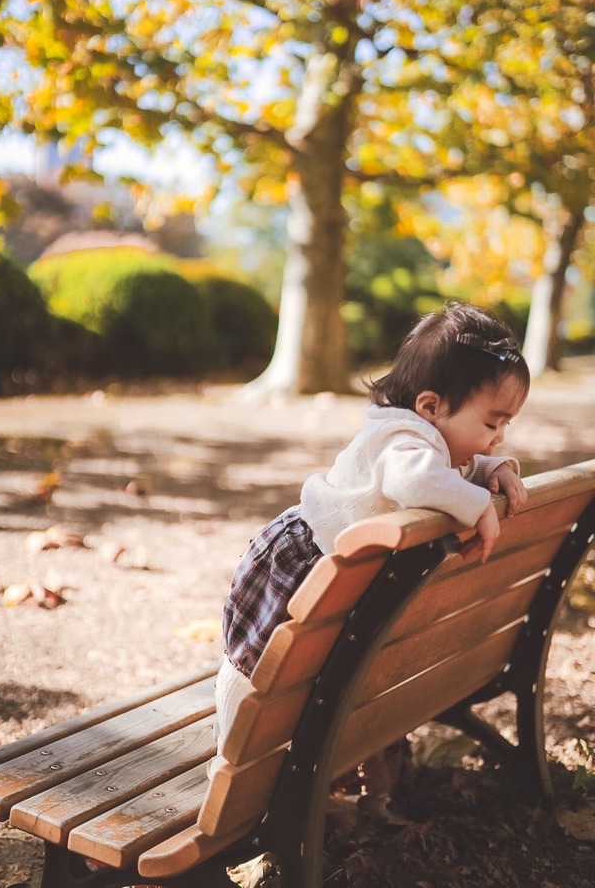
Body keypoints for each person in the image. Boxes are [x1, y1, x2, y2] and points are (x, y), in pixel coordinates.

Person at [215, 302, 531, 792]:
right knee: (254, 666)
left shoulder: (431, 433)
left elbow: (457, 467)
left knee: (297, 672)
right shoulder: (401, 439)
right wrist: (481, 504)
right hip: (301, 561)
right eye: (492, 424)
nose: (498, 438)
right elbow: (417, 479)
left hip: (338, 567)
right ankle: (229, 754)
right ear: (430, 406)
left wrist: (495, 467)